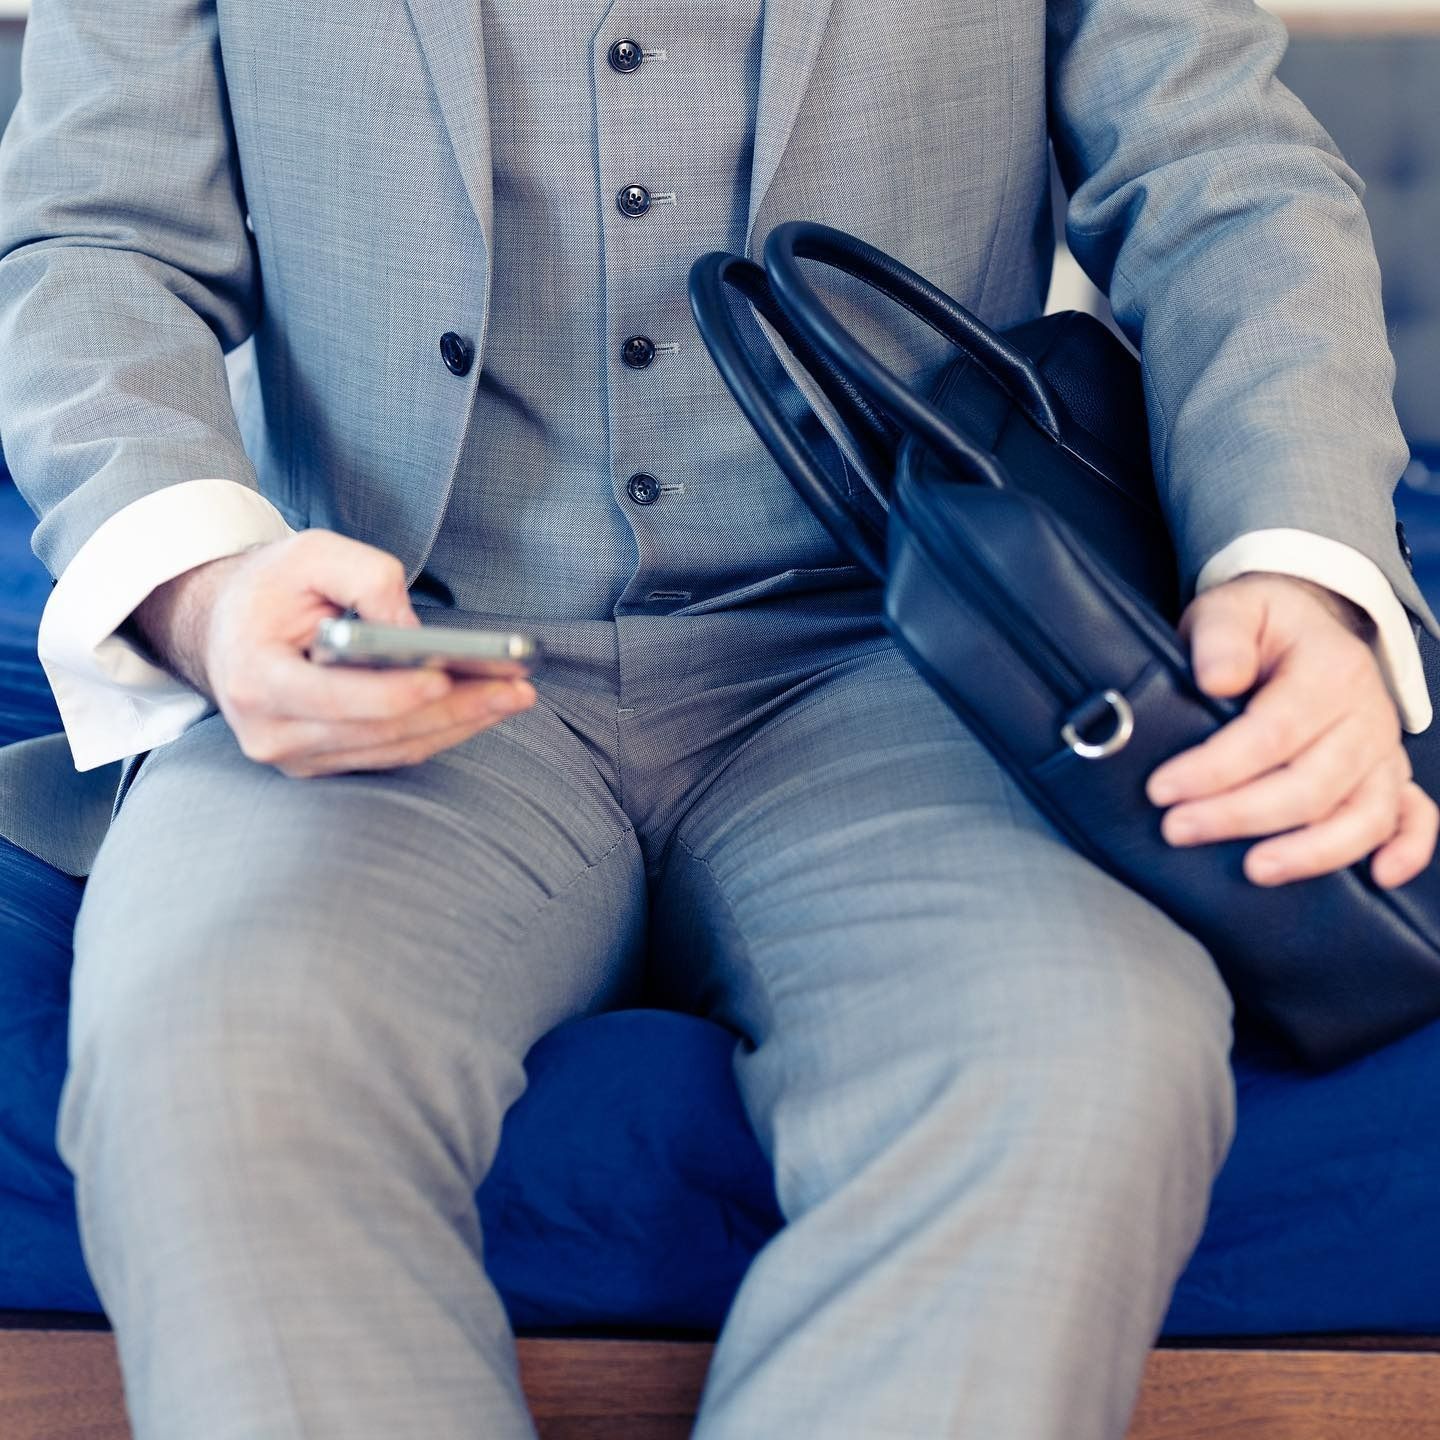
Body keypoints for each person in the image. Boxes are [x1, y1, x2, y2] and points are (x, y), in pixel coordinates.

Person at [0, 1, 1434, 1436]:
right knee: (216, 1059)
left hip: (905, 645)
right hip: (379, 649)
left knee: (1083, 1045)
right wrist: (199, 589)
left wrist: (1296, 565)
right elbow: (95, 238)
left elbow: (1215, 168)